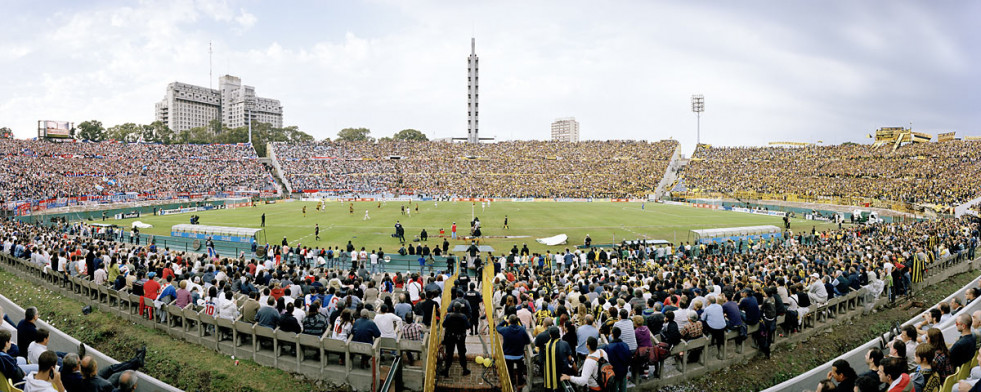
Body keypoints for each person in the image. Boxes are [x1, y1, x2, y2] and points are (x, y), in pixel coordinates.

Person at [497, 315, 531, 388]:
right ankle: (520, 381)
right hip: (519, 355)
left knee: (509, 370)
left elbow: (497, 327)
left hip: (507, 355)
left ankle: (511, 382)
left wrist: (504, 321)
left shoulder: (505, 330)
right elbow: (528, 341)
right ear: (517, 321)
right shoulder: (522, 330)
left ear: (509, 321)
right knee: (520, 370)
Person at [441, 303, 470, 377]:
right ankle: (464, 369)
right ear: (460, 308)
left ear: (453, 308)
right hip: (460, 337)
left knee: (449, 353)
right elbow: (468, 326)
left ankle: (446, 370)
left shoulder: (448, 316)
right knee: (462, 353)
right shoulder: (463, 316)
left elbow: (444, 325)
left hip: (450, 337)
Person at [543, 326, 575, 392]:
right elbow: (570, 359)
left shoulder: (547, 345)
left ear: (550, 335)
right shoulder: (564, 344)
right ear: (559, 333)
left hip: (549, 375)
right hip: (563, 373)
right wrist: (575, 369)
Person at [605, 327, 631, 392]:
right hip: (624, 370)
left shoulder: (609, 347)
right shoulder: (625, 345)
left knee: (615, 388)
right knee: (623, 388)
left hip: (615, 372)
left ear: (612, 335)